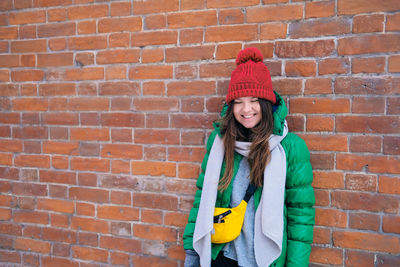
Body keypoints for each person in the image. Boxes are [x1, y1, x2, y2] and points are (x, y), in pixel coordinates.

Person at [182, 47, 315, 267]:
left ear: (266, 103)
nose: (246, 109)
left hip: (264, 260)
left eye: (254, 100)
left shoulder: (291, 148)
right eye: (239, 101)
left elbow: (300, 216)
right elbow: (202, 197)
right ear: (231, 105)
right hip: (221, 255)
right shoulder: (220, 142)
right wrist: (191, 250)